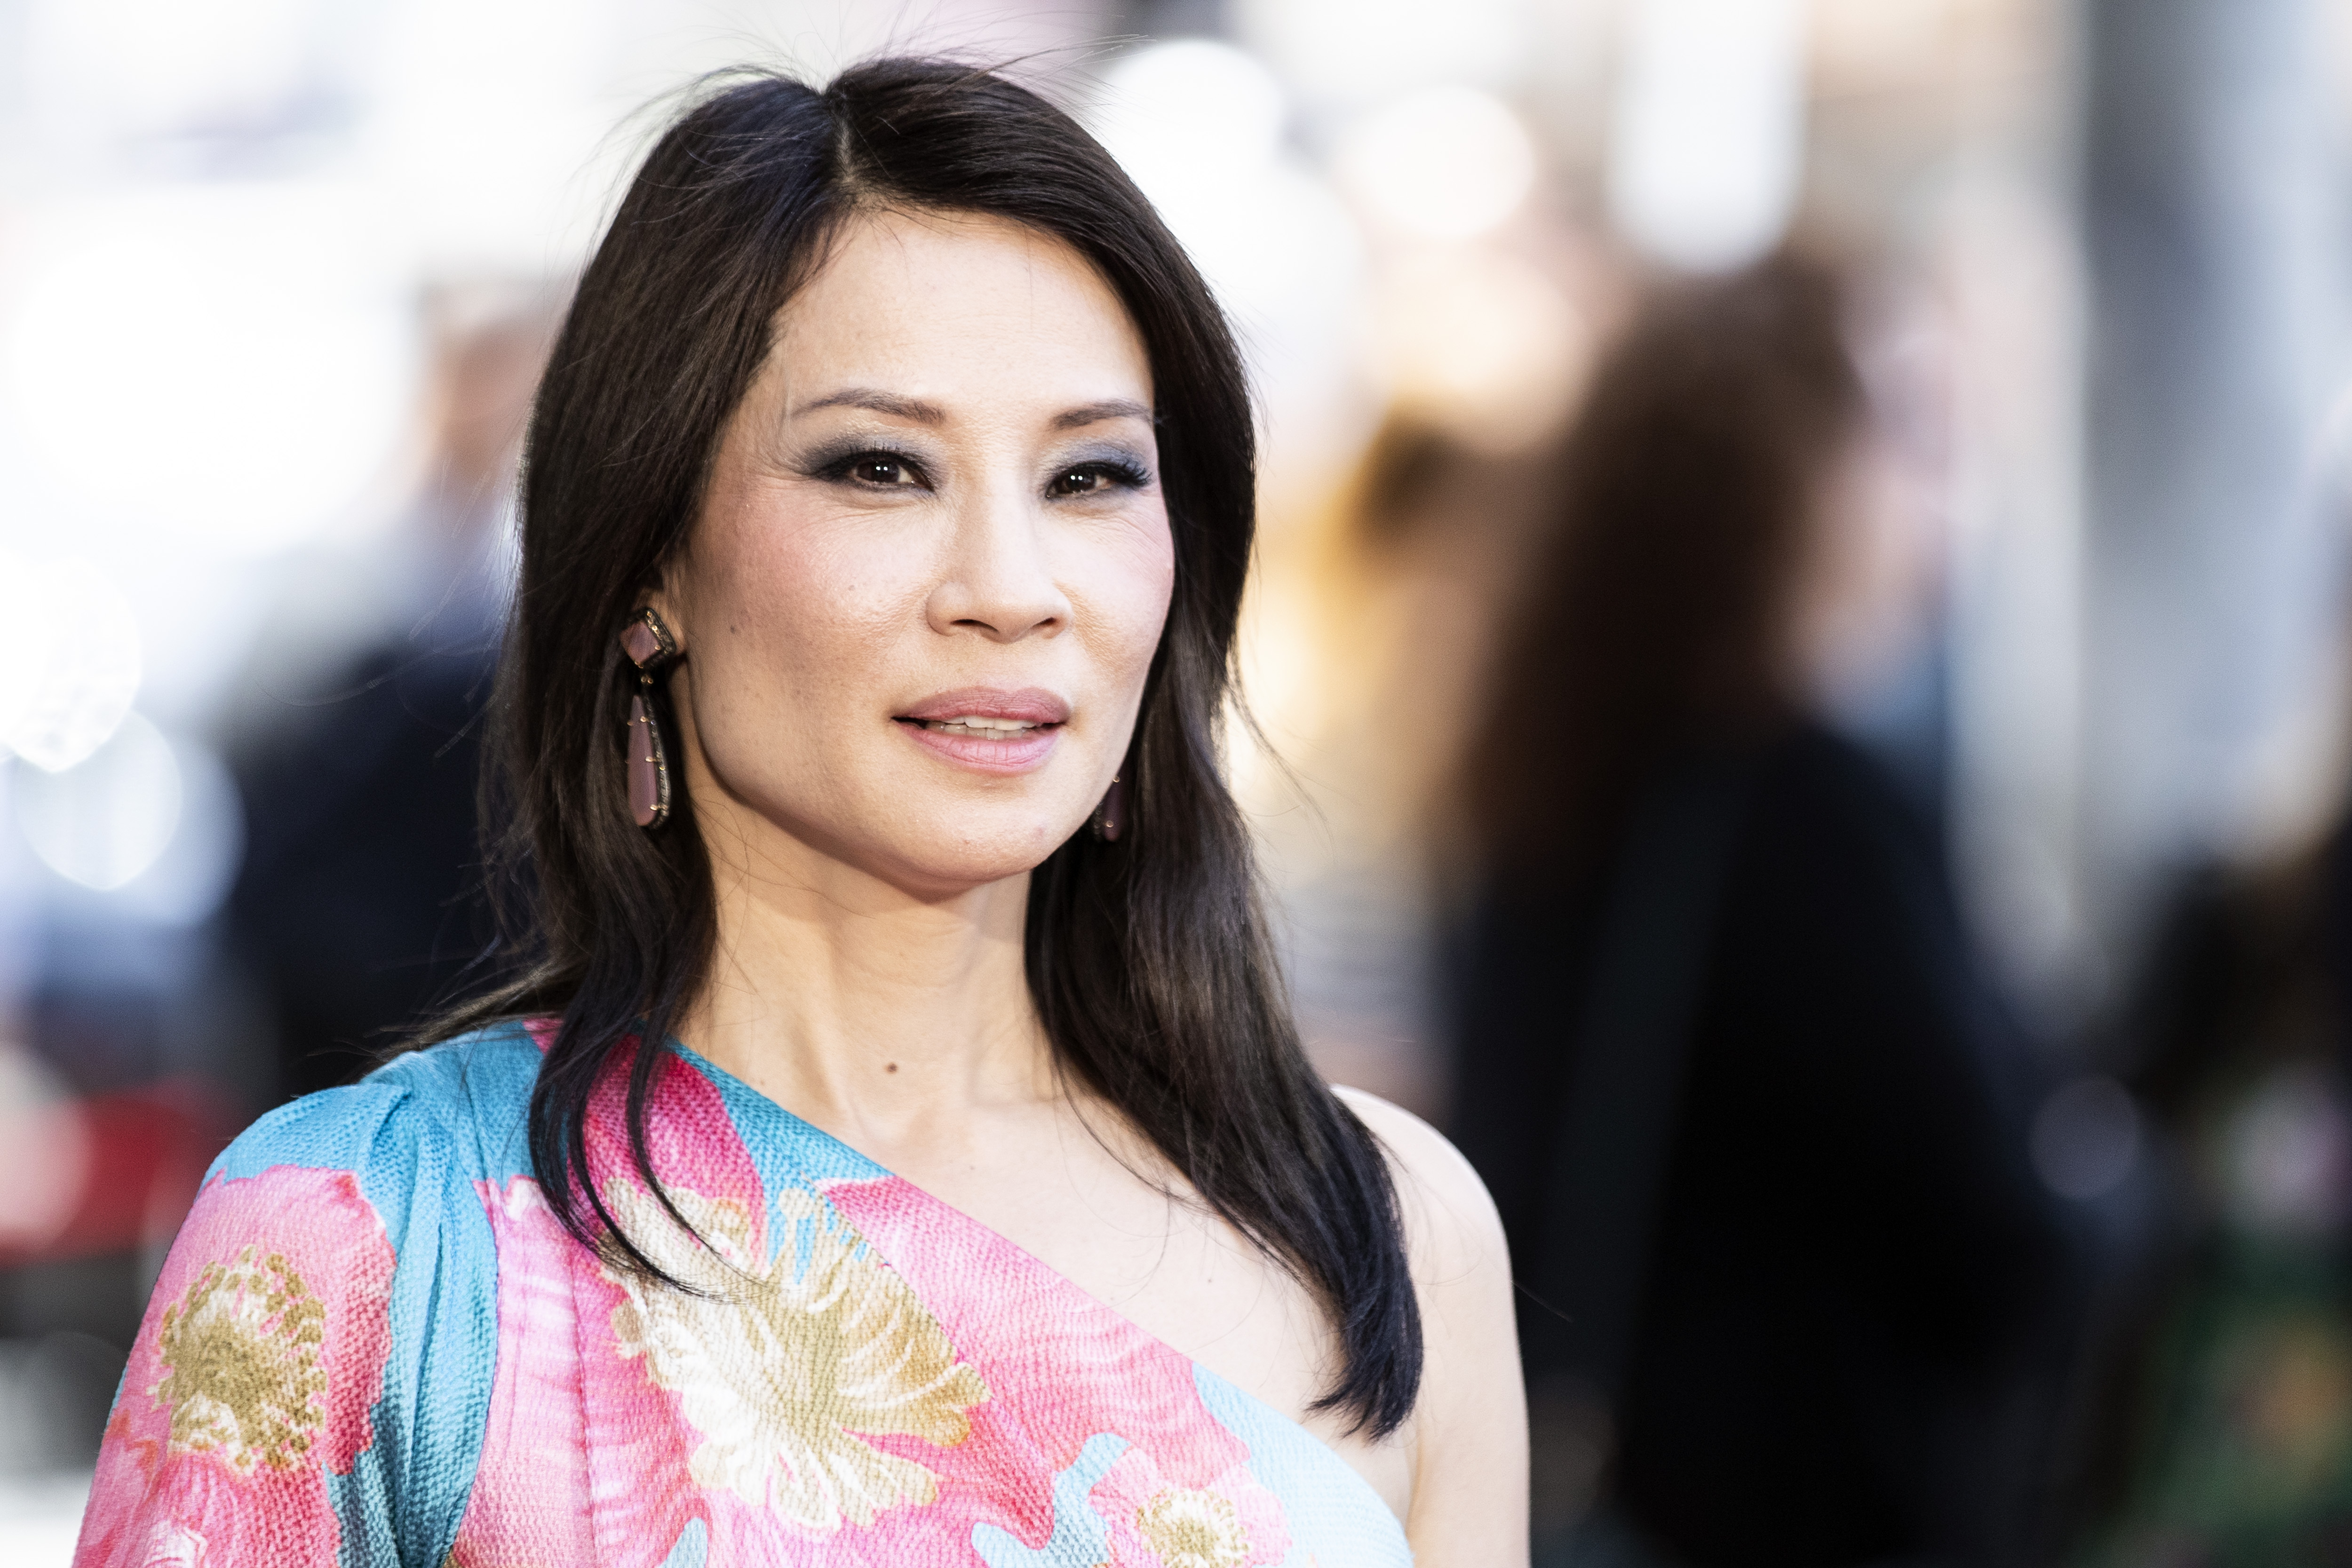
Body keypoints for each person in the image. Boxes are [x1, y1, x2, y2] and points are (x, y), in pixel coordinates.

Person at [72, 60, 1524, 1568]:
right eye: (881, 468)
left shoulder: (1389, 1231)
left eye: (1091, 476)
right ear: (649, 562)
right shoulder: (368, 1247)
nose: (1012, 590)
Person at [1446, 253, 2065, 1564]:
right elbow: (1988, 1221)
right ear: (1789, 477)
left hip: (1596, 1485)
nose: (1939, 501)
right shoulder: (1799, 805)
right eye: (1905, 432)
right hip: (1791, 1508)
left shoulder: (1563, 768)